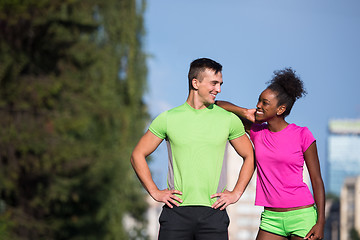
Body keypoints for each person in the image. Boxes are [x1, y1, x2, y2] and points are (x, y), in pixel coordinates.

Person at [130, 58, 255, 240]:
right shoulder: (168, 118)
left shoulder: (228, 120)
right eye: (214, 83)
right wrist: (155, 192)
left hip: (214, 214)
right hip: (176, 214)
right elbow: (137, 155)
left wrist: (236, 193)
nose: (218, 89)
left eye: (220, 84)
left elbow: (249, 156)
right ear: (195, 83)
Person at [216, 68, 325, 240]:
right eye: (259, 100)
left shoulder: (302, 134)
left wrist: (321, 222)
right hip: (271, 218)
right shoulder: (257, 132)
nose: (258, 105)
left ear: (280, 109)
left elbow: (317, 180)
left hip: (302, 216)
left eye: (265, 103)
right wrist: (245, 111)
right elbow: (218, 106)